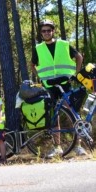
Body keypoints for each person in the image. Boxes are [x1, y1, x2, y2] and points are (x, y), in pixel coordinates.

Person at [30, 19, 85, 157]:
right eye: (44, 31)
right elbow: (32, 65)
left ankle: (78, 146)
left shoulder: (64, 44)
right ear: (41, 33)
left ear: (53, 31)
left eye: (49, 30)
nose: (47, 33)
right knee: (54, 116)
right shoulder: (38, 48)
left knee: (73, 113)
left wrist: (76, 74)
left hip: (65, 83)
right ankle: (58, 147)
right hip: (50, 85)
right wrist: (41, 78)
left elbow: (78, 57)